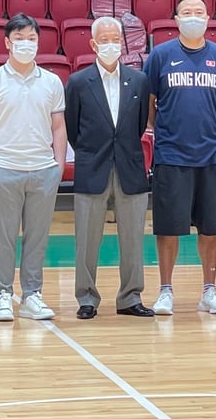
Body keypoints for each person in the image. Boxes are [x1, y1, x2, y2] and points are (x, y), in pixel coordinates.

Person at [143, 0, 216, 316]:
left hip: (212, 153)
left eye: (199, 11)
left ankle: (209, 291)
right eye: (187, 12)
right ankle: (165, 290)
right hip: (172, 154)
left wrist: (211, 125)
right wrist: (164, 129)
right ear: (177, 19)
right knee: (168, 228)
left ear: (208, 18)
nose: (194, 16)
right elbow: (150, 103)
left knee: (211, 228)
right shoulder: (161, 56)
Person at [0, 13, 67, 322]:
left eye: (31, 39)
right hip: (5, 169)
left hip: (43, 171)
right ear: (7, 43)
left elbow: (58, 127)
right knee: (4, 237)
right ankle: (3, 294)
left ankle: (32, 295)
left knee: (37, 237)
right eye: (19, 39)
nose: (26, 44)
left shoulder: (52, 82)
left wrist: (57, 166)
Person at [64, 16, 154, 319]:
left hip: (130, 167)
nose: (111, 44)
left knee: (133, 239)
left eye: (116, 39)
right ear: (93, 44)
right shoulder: (77, 82)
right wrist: (91, 153)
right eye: (104, 39)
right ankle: (86, 298)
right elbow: (72, 129)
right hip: (92, 168)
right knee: (87, 240)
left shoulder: (139, 81)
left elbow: (140, 124)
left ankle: (130, 296)